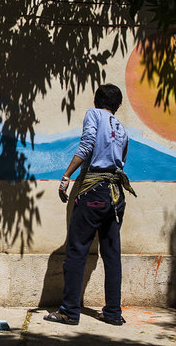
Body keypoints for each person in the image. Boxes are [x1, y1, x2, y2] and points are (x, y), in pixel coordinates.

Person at [44, 84, 136, 326]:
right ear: (118, 106)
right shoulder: (122, 129)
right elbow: (121, 162)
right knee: (112, 254)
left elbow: (86, 146)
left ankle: (69, 312)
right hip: (115, 195)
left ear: (97, 101)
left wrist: (66, 176)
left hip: (94, 191)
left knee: (77, 250)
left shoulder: (93, 115)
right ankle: (113, 313)